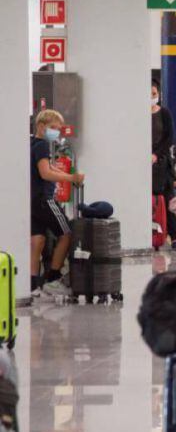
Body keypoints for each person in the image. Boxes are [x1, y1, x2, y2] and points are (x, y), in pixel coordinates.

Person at [30, 109, 83, 297]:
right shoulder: (42, 145)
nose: (56, 132)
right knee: (67, 234)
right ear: (41, 126)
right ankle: (53, 278)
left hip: (32, 201)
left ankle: (33, 284)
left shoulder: (32, 143)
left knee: (37, 240)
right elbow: (46, 173)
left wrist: (70, 177)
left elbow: (50, 167)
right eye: (53, 128)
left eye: (59, 129)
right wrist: (71, 178)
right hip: (45, 200)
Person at [151, 79, 176, 246]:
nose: (151, 97)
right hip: (143, 161)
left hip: (162, 162)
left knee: (167, 198)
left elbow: (169, 138)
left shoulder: (164, 113)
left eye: (154, 94)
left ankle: (174, 234)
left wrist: (156, 154)